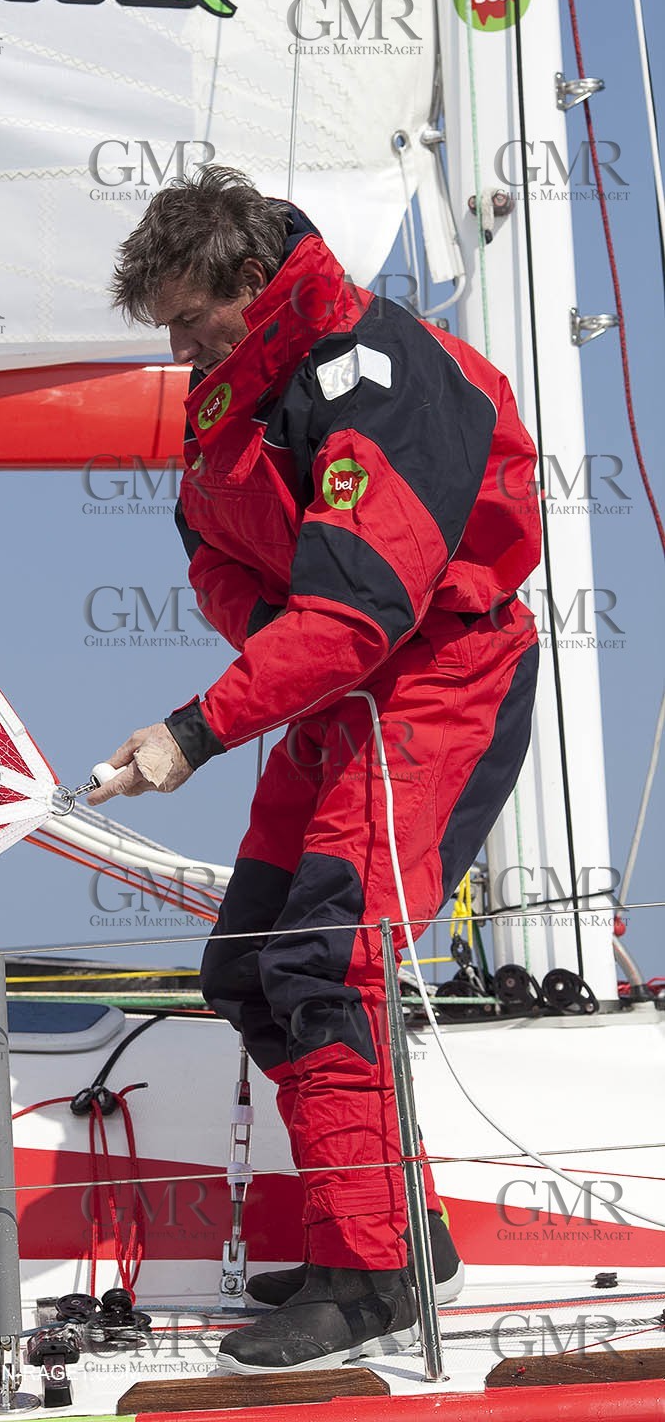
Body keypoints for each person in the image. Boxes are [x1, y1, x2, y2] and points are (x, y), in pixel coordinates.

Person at [88, 166, 542, 1372]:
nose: (178, 351)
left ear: (251, 279)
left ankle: (370, 1278)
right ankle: (398, 1235)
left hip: (436, 682)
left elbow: (358, 609)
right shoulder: (235, 384)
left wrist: (195, 730)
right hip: (332, 690)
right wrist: (277, 658)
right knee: (247, 968)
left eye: (190, 321)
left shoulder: (377, 378)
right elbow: (211, 552)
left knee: (326, 962)